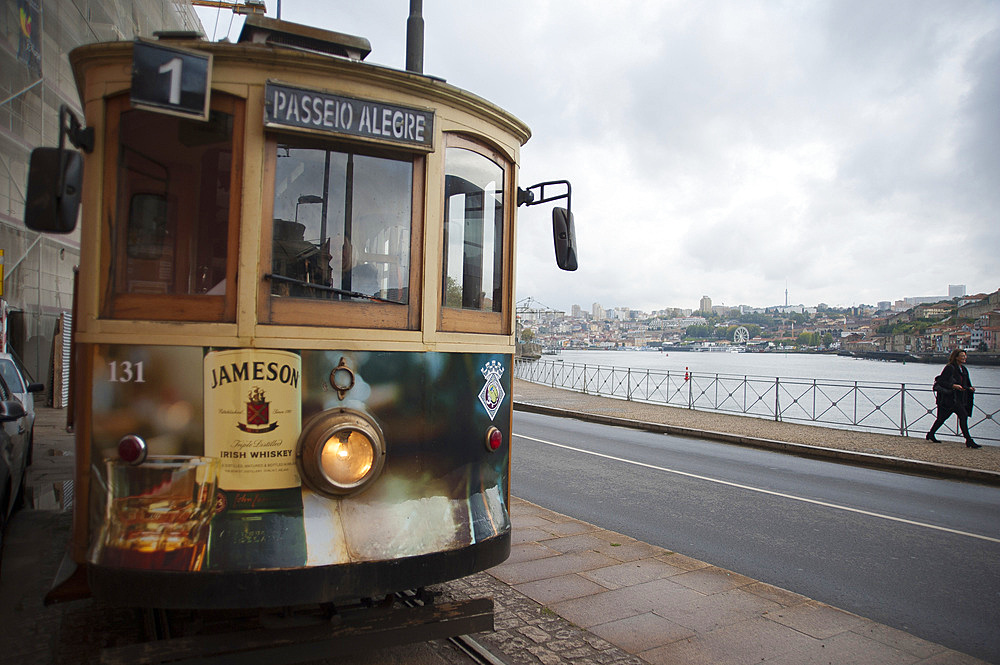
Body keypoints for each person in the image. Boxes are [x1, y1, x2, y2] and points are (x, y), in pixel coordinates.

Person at [926, 348, 979, 448]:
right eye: (962, 356)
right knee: (942, 418)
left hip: (959, 399)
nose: (964, 358)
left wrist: (970, 388)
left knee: (961, 417)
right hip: (948, 399)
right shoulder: (950, 368)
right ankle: (968, 440)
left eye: (965, 356)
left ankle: (931, 434)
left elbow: (965, 384)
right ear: (956, 357)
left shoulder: (964, 369)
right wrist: (953, 386)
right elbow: (941, 382)